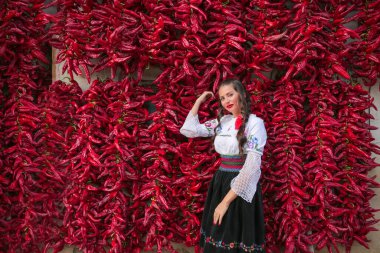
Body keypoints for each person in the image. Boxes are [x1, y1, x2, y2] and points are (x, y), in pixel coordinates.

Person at [180, 79, 267, 253]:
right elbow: (189, 129)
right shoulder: (222, 123)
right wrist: (199, 101)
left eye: (230, 94)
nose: (226, 101)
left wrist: (225, 202)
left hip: (241, 185)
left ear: (241, 94)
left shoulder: (255, 124)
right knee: (218, 235)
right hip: (220, 181)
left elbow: (251, 168)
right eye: (221, 98)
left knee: (234, 235)